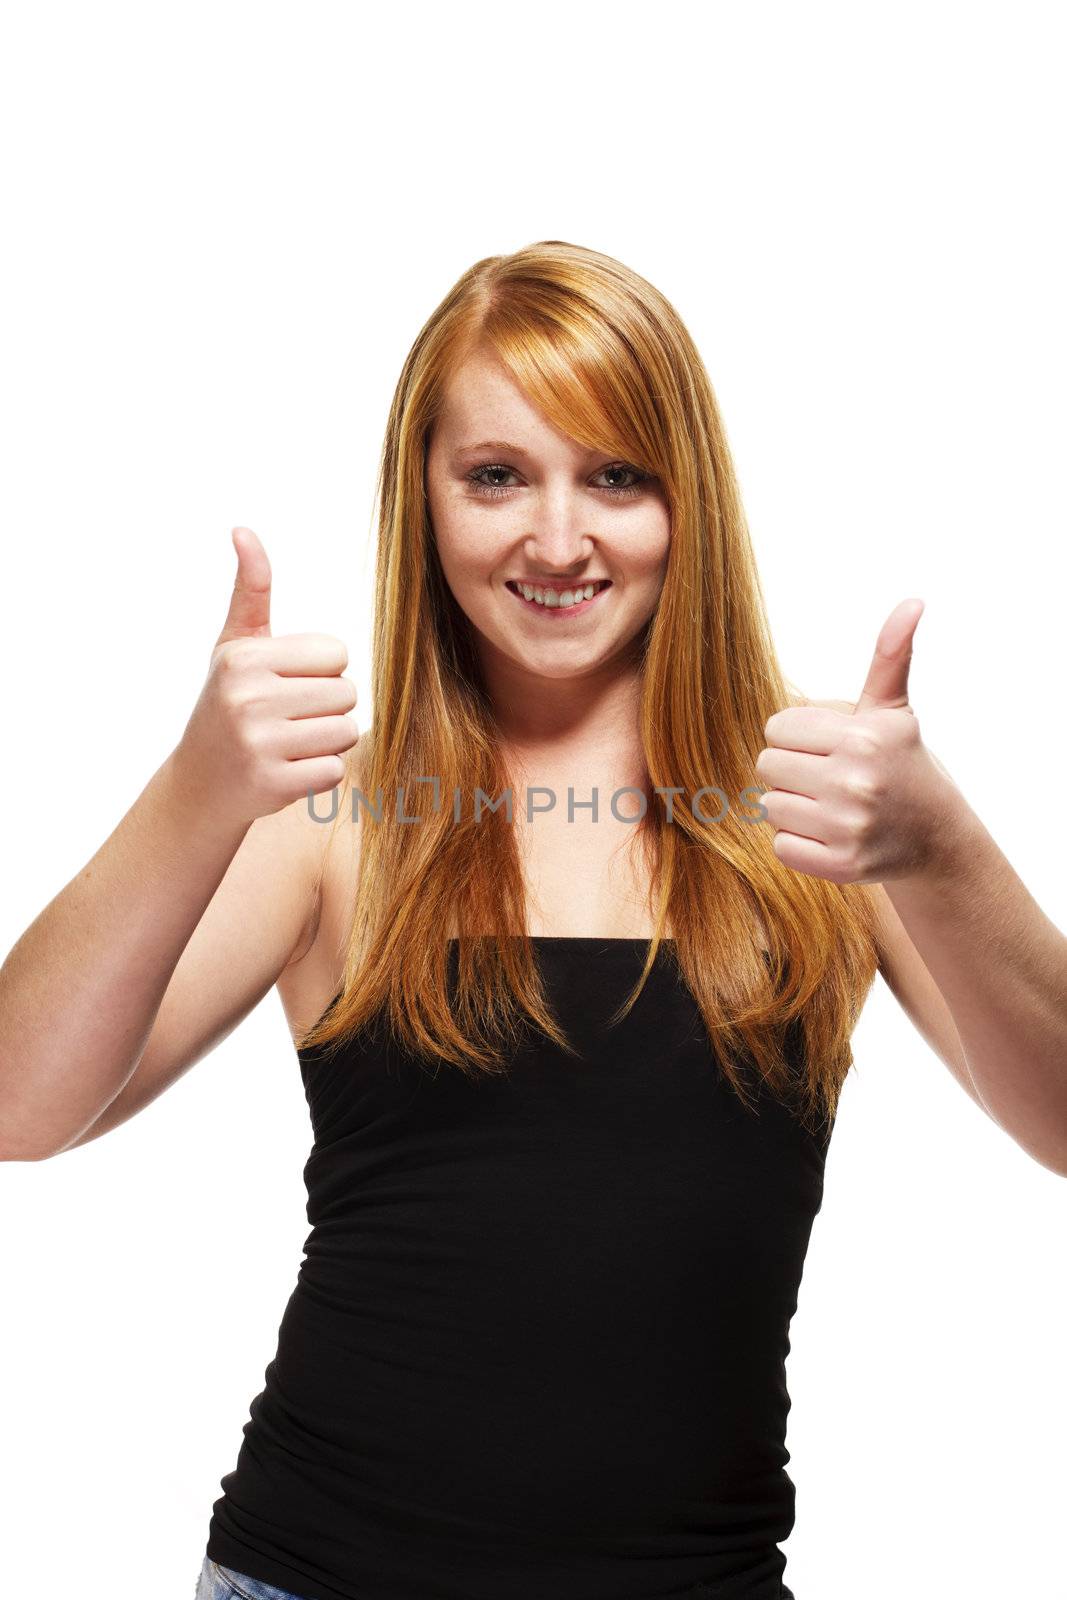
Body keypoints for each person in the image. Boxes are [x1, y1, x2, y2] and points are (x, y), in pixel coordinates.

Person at [2, 240, 1065, 1600]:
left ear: (689, 495)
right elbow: (17, 1109)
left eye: (616, 475)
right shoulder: (334, 814)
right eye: (497, 475)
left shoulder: (825, 810)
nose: (558, 540)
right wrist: (193, 793)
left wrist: (946, 850)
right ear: (427, 495)